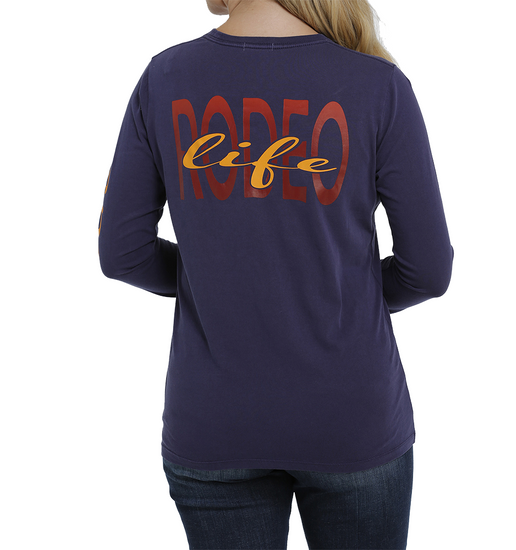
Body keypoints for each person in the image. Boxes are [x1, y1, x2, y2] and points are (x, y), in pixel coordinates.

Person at [98, 0, 454, 547]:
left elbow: (122, 252)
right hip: (350, 416)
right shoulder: (378, 86)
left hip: (214, 420)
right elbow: (428, 270)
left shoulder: (166, 78)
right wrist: (333, 292)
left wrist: (218, 285)